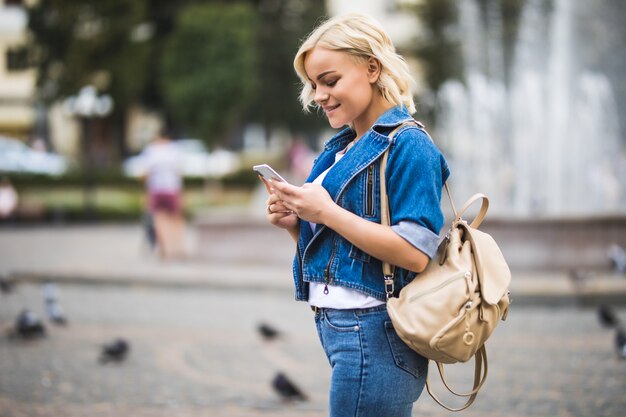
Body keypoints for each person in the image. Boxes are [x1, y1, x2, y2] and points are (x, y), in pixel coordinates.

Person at [260, 13, 450, 417]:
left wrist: (325, 213)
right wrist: (297, 224)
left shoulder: (409, 144)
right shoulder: (339, 148)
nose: (318, 96)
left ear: (372, 67)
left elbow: (415, 253)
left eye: (330, 81)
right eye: (313, 85)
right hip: (340, 326)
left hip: (375, 330)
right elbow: (338, 249)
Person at [138, 128, 186, 260]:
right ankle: (178, 247)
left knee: (159, 219)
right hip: (172, 189)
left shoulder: (151, 150)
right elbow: (179, 172)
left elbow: (146, 173)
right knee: (176, 219)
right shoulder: (174, 150)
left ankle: (165, 249)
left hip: (157, 190)